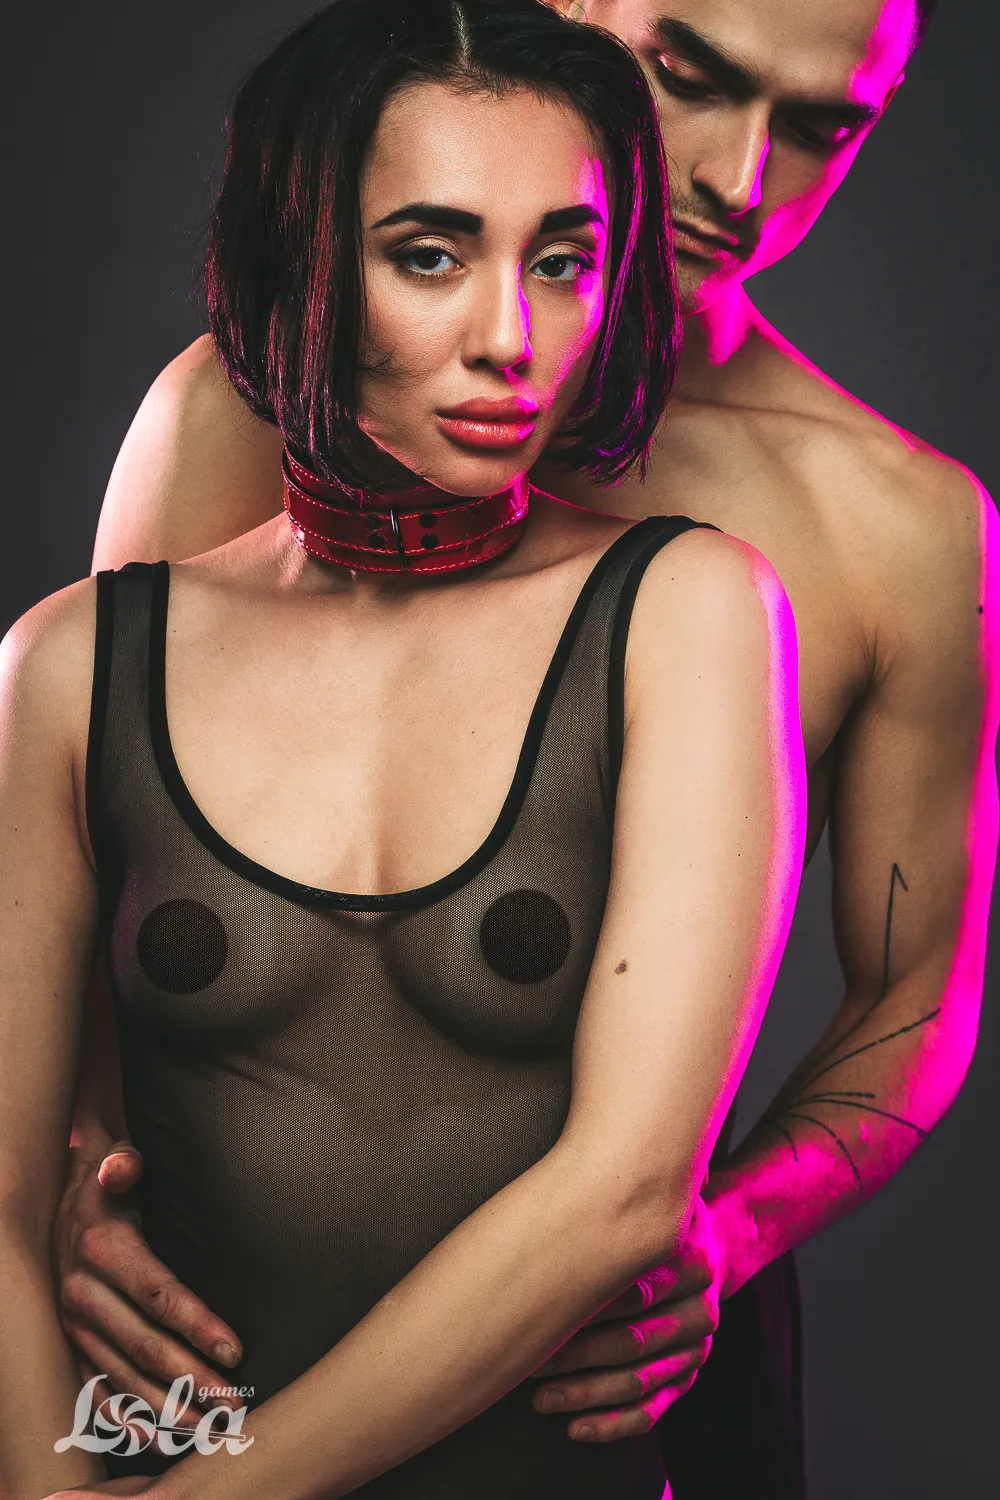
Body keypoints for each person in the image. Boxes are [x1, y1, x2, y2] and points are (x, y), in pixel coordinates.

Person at [52, 0, 1000, 1497]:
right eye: (688, 75)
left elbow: (916, 994)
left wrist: (716, 1230)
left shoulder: (890, 528)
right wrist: (76, 1170)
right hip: (213, 1339)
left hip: (609, 1367)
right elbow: (97, 877)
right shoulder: (241, 416)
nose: (740, 181)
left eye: (823, 128)